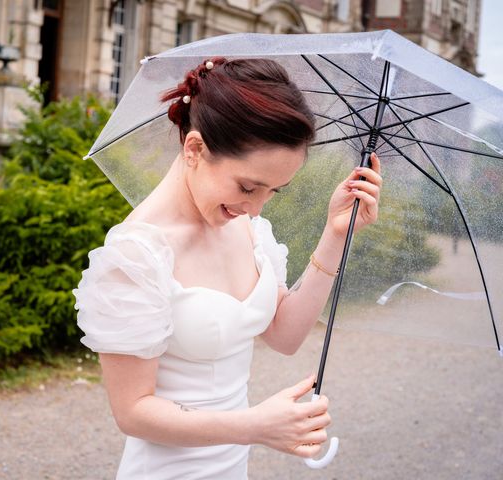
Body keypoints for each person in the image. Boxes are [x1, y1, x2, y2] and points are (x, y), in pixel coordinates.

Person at [73, 57, 382, 479]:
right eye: (248, 186)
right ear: (195, 149)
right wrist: (254, 426)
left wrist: (335, 234)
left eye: (274, 191)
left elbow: (285, 335)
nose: (254, 207)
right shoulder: (138, 256)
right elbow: (133, 412)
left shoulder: (249, 230)